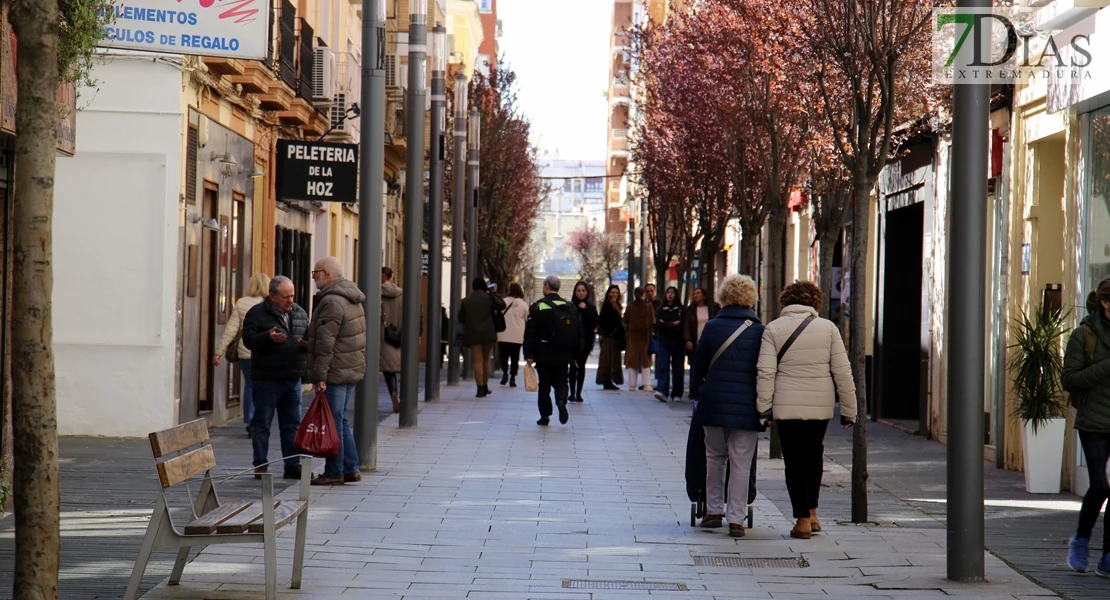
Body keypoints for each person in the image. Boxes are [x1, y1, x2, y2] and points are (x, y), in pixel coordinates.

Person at [756, 280, 856, 540]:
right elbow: (842, 372)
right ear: (816, 302)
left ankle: (801, 519)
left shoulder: (773, 329)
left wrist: (763, 409)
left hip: (786, 405)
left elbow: (766, 372)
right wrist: (849, 409)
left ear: (786, 301)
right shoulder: (829, 329)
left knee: (794, 461)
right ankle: (812, 513)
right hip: (819, 405)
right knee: (814, 456)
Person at [693, 275, 765, 537]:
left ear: (723, 296)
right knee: (741, 462)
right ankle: (736, 519)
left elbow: (699, 364)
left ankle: (713, 511)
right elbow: (764, 370)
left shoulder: (712, 327)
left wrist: (699, 392)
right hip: (747, 406)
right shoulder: (759, 330)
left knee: (714, 457)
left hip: (713, 403)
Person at [304, 256, 367, 486]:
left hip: (335, 371)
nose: (314, 278)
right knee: (340, 420)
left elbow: (325, 343)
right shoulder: (351, 297)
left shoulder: (331, 301)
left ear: (327, 274)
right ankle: (351, 468)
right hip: (349, 369)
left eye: (316, 273)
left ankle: (334, 471)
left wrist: (319, 376)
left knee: (333, 420)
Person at [1063, 278, 1110, 575]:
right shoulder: (1084, 335)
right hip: (1093, 422)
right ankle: (1081, 539)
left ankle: (1108, 557)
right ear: (1105, 303)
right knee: (1100, 486)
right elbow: (1069, 380)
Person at [242, 275, 308, 480]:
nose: (290, 300)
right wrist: (267, 338)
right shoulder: (257, 313)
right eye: (286, 296)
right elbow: (248, 340)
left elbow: (309, 334)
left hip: (292, 378)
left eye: (292, 296)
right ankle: (260, 465)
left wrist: (307, 345)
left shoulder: (299, 313)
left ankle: (292, 465)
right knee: (262, 423)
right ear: (272, 296)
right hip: (267, 378)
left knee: (292, 424)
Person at [214, 272, 270, 437]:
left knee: (250, 385)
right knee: (265, 386)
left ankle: (250, 419)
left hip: (245, 350)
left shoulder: (242, 303)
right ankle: (260, 420)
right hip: (265, 351)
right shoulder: (269, 303)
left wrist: (219, 352)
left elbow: (232, 328)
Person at [524, 276, 578, 426]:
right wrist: (575, 354)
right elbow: (577, 333)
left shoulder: (539, 306)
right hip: (563, 352)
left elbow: (531, 332)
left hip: (543, 352)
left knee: (545, 385)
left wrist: (529, 353)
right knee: (562, 380)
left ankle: (545, 415)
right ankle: (561, 400)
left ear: (546, 286)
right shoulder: (569, 307)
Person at [459, 276, 506, 397]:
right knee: (485, 360)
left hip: (473, 333)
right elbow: (502, 305)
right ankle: (485, 386)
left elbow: (461, 318)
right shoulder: (489, 298)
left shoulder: (465, 301)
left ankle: (479, 388)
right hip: (489, 333)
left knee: (477, 361)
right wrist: (495, 293)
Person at [683, 288, 719, 400]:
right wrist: (688, 340)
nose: (696, 295)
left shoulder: (714, 308)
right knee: (695, 367)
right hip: (696, 342)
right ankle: (694, 392)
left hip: (710, 342)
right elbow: (687, 327)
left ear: (704, 295)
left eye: (698, 293)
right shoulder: (691, 310)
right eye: (694, 293)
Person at [654, 286, 686, 403]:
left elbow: (681, 326)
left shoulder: (681, 310)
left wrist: (666, 324)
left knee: (678, 368)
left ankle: (677, 393)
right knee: (663, 366)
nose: (670, 294)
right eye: (668, 292)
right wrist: (673, 324)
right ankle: (662, 391)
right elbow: (658, 325)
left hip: (678, 342)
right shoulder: (660, 310)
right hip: (664, 342)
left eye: (672, 292)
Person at [568, 281, 599, 402]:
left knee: (581, 366)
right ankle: (571, 392)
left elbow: (595, 322)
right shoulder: (570, 306)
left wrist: (585, 310)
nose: (581, 293)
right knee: (572, 366)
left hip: (586, 341)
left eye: (583, 291)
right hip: (572, 340)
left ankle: (578, 393)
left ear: (587, 292)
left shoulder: (591, 308)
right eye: (578, 291)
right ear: (575, 292)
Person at [624, 286, 656, 392]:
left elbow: (625, 319)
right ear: (643, 294)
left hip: (632, 336)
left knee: (633, 360)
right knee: (645, 361)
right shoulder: (648, 306)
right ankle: (646, 384)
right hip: (645, 336)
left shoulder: (630, 306)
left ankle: (632, 385)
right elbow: (653, 321)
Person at [498, 283, 529, 387]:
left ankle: (505, 373)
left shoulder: (503, 302)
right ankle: (513, 378)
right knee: (515, 357)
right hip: (517, 335)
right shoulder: (523, 304)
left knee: (504, 356)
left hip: (503, 334)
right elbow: (526, 318)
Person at [381, 267, 403, 413]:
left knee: (386, 370)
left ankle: (392, 393)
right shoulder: (401, 294)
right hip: (398, 334)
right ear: (391, 277)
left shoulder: (375, 293)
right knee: (395, 369)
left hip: (381, 336)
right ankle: (397, 394)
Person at [596, 285, 625, 390]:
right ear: (608, 293)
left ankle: (611, 380)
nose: (614, 294)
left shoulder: (617, 305)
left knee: (614, 359)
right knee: (607, 359)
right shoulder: (607, 305)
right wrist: (611, 331)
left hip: (616, 337)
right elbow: (603, 320)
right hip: (609, 336)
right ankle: (606, 381)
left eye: (616, 293)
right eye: (613, 292)